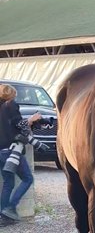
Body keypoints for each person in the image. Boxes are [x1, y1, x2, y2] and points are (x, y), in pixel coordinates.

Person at [0, 84, 47, 221]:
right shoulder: (11, 106)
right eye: (14, 95)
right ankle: (10, 207)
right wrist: (32, 120)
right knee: (27, 178)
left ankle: (4, 216)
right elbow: (20, 126)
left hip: (1, 152)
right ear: (10, 96)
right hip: (11, 150)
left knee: (9, 183)